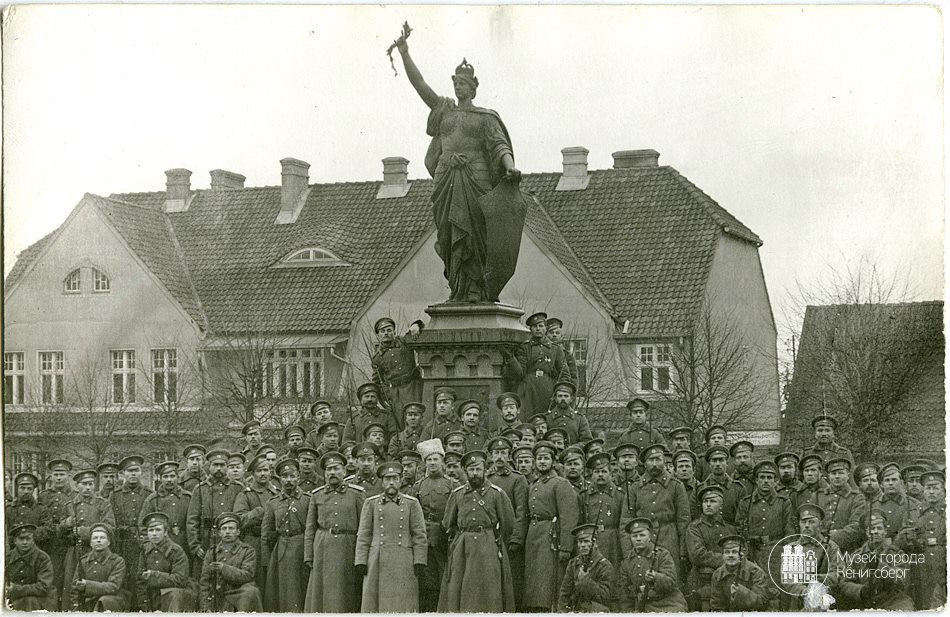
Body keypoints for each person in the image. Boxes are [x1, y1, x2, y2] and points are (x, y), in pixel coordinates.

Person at [394, 26, 522, 303]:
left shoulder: (485, 117)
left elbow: (500, 145)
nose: (458, 87)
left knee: (476, 236)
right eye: (455, 83)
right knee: (449, 231)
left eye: (463, 83)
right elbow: (421, 85)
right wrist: (405, 54)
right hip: (447, 181)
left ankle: (477, 289)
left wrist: (510, 167)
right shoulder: (444, 110)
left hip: (477, 180)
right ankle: (458, 289)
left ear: (473, 87)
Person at [439, 450, 517, 611]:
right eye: (471, 470)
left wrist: (492, 539)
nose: (475, 473)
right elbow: (448, 523)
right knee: (460, 587)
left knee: (489, 588)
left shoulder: (497, 494)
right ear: (466, 471)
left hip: (488, 545)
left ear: (485, 470)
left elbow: (509, 525)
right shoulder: (457, 494)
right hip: (463, 547)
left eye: (478, 469)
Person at [355, 461, 428, 612]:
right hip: (376, 561)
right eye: (387, 479)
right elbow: (363, 535)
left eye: (395, 479)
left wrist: (420, 560)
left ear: (401, 481)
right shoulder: (371, 503)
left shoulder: (411, 504)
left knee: (403, 603)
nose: (391, 483)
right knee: (375, 605)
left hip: (404, 561)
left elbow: (419, 535)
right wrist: (361, 561)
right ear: (382, 482)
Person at [303, 451, 365, 613]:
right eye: (329, 469)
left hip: (348, 546)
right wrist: (309, 555)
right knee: (322, 592)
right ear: (324, 473)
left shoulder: (357, 494)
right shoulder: (317, 495)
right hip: (323, 546)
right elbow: (310, 528)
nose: (332, 472)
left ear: (344, 471)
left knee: (347, 591)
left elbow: (364, 528)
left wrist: (362, 555)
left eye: (336, 468)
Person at [523, 440, 579, 611]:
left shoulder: (560, 484)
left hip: (551, 537)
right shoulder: (533, 485)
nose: (542, 462)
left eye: (546, 458)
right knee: (535, 580)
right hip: (534, 537)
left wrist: (566, 547)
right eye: (539, 458)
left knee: (550, 581)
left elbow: (569, 517)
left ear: (553, 461)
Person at [628, 444, 691, 580]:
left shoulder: (676, 486)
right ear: (644, 464)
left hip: (669, 539)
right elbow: (626, 520)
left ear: (664, 461)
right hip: (643, 541)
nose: (655, 464)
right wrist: (629, 549)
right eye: (651, 460)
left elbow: (683, 521)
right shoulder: (635, 488)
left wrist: (683, 550)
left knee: (670, 579)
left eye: (658, 459)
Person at [412, 438, 461, 611]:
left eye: (436, 459)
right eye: (429, 460)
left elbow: (458, 512)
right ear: (425, 463)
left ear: (442, 461)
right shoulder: (418, 486)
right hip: (425, 537)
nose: (432, 463)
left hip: (446, 537)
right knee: (428, 579)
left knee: (447, 576)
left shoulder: (453, 485)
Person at [832, 509, 915, 610]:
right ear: (867, 532)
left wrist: (880, 566)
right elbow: (845, 583)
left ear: (885, 531)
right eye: (872, 528)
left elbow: (901, 581)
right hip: (865, 602)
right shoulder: (856, 556)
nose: (875, 532)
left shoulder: (896, 553)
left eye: (879, 528)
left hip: (892, 601)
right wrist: (861, 590)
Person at [185, 449, 245, 578]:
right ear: (209, 466)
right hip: (207, 539)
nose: (219, 468)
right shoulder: (201, 489)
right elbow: (192, 520)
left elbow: (241, 517)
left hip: (232, 541)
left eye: (222, 465)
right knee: (204, 577)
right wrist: (195, 546)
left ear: (226, 466)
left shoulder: (237, 488)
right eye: (215, 465)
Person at [734, 461, 795, 584]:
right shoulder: (746, 502)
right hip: (752, 552)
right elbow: (739, 528)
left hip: (775, 551)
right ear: (756, 480)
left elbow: (789, 530)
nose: (766, 481)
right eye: (762, 477)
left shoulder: (783, 502)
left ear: (776, 481)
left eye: (769, 477)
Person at [262, 458, 310, 612]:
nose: (288, 480)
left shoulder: (308, 500)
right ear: (280, 479)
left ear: (298, 478)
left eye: (292, 476)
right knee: (282, 593)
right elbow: (266, 533)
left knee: (302, 589)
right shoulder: (273, 503)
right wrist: (266, 560)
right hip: (281, 551)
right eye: (285, 476)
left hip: (302, 549)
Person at [503, 312, 572, 418]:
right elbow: (520, 372)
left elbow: (564, 373)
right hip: (528, 389)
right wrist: (511, 359)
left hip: (548, 389)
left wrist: (561, 392)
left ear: (545, 328)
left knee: (547, 418)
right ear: (531, 329)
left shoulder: (555, 349)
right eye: (535, 326)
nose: (538, 329)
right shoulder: (525, 347)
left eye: (541, 326)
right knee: (528, 417)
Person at [62, 469, 116, 599]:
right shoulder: (70, 505)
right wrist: (66, 524)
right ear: (76, 486)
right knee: (72, 588)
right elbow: (59, 533)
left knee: (94, 586)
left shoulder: (103, 504)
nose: (87, 487)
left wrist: (85, 532)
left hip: (96, 553)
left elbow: (110, 528)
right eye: (84, 484)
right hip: (74, 553)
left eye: (91, 484)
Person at [617, 517, 687, 611]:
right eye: (634, 536)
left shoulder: (662, 555)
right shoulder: (627, 562)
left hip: (668, 603)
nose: (638, 539)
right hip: (645, 606)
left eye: (642, 535)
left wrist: (656, 576)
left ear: (649, 536)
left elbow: (671, 582)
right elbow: (624, 593)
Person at [199, 512, 263, 612]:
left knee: (251, 592)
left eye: (231, 528)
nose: (227, 532)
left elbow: (248, 575)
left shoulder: (247, 551)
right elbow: (205, 582)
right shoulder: (212, 553)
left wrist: (224, 568)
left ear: (238, 532)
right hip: (218, 595)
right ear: (219, 533)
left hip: (239, 594)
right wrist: (205, 607)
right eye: (224, 529)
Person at [685, 486, 736, 610]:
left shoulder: (730, 529)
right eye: (705, 501)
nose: (708, 504)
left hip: (727, 579)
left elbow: (739, 553)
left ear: (721, 505)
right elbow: (697, 555)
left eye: (712, 501)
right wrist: (726, 560)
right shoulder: (694, 528)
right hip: (702, 580)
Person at [234, 453, 278, 590]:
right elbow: (239, 520)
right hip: (253, 543)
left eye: (266, 470)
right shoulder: (245, 494)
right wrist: (259, 512)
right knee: (256, 580)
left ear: (270, 472)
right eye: (259, 471)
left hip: (274, 543)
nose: (263, 474)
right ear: (253, 474)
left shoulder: (277, 493)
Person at [137, 511, 197, 612]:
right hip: (153, 599)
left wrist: (154, 575)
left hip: (173, 598)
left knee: (173, 594)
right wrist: (145, 608)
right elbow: (140, 582)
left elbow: (180, 580)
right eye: (151, 530)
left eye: (158, 530)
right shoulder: (145, 551)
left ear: (165, 532)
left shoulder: (176, 551)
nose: (154, 534)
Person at [371, 317, 423, 430]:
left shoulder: (404, 341)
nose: (386, 333)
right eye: (382, 331)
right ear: (378, 335)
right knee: (400, 422)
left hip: (413, 387)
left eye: (389, 330)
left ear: (394, 332)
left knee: (417, 415)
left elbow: (417, 329)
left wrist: (416, 325)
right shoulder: (377, 358)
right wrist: (386, 398)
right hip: (395, 393)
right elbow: (377, 381)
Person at [37, 458, 75, 608]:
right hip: (48, 545)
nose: (59, 478)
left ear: (68, 475)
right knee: (51, 578)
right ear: (51, 476)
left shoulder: (74, 495)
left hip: (67, 544)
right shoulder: (43, 495)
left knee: (67, 579)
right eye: (56, 474)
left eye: (62, 474)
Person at [110, 454, 148, 605]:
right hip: (122, 543)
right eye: (129, 471)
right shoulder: (115, 495)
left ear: (141, 472)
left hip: (141, 543)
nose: (133, 474)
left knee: (140, 577)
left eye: (136, 470)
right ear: (123, 474)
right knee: (124, 577)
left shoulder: (148, 494)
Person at [69, 523, 130, 611]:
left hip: (110, 602)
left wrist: (87, 585)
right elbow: (75, 589)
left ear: (108, 542)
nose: (98, 540)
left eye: (102, 538)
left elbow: (113, 587)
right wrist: (76, 608)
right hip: (89, 603)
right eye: (95, 538)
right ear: (90, 543)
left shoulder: (117, 561)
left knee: (104, 601)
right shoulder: (83, 561)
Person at [578, 452, 623, 569]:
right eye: (596, 472)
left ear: (611, 474)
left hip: (613, 541)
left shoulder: (620, 495)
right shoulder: (584, 496)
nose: (600, 475)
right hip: (591, 540)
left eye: (604, 471)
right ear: (591, 474)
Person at [140, 461, 192, 564]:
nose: (169, 480)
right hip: (160, 549)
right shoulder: (152, 500)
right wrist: (149, 547)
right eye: (165, 476)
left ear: (178, 477)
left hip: (185, 546)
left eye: (172, 476)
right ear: (160, 479)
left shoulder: (188, 497)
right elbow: (142, 527)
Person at [556, 524, 614, 612]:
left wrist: (586, 581)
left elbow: (605, 597)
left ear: (595, 543)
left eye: (587, 541)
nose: (583, 545)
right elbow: (564, 593)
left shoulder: (604, 565)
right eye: (580, 541)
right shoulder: (573, 564)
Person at [912, 469, 946, 609]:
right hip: (921, 566)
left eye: (935, 488)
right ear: (923, 490)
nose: (931, 492)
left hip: (944, 563)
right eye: (928, 488)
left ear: (943, 489)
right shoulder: (914, 512)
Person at [818, 457, 867, 551]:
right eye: (833, 473)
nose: (837, 476)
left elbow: (856, 526)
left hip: (846, 549)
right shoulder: (818, 495)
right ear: (828, 476)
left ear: (848, 475)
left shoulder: (857, 498)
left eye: (841, 473)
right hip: (819, 547)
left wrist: (833, 538)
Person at [708, 535, 769, 610]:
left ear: (742, 554)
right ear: (723, 555)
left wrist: (740, 592)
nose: (730, 555)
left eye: (734, 552)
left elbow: (762, 602)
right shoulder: (717, 574)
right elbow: (717, 605)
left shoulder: (756, 572)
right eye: (727, 552)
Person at [5, 523, 55, 611]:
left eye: (28, 538)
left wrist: (16, 589)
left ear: (33, 540)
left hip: (39, 602)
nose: (25, 542)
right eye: (21, 539)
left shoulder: (42, 558)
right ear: (15, 541)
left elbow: (44, 587)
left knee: (30, 601)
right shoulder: (7, 558)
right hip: (13, 602)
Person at [343, 382, 400, 450]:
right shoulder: (354, 418)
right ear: (361, 399)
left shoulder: (387, 416)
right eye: (366, 396)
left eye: (373, 397)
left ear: (377, 399)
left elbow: (395, 437)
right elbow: (346, 441)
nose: (370, 399)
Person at [6, 472, 53, 550]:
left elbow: (48, 529)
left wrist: (31, 535)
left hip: (35, 552)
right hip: (12, 552)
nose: (26, 491)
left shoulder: (41, 509)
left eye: (29, 488)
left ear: (33, 490)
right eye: (22, 488)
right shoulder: (8, 509)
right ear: (17, 489)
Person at [722, 441, 755, 524]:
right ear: (734, 461)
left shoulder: (760, 481)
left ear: (752, 459)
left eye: (745, 457)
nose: (742, 460)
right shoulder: (728, 483)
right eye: (739, 458)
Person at [545, 317, 579, 385]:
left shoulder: (567, 356)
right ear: (546, 335)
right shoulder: (540, 351)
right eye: (551, 332)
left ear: (561, 336)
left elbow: (573, 379)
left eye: (557, 333)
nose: (554, 335)